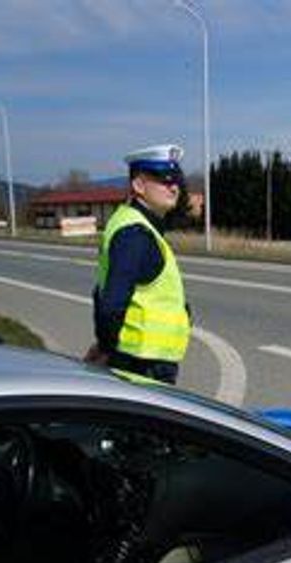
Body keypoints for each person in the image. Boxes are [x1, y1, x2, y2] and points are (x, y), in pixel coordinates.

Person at [84, 144, 191, 384]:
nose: (174, 186)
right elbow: (112, 304)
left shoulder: (139, 225)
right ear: (139, 185)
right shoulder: (135, 233)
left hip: (143, 360)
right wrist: (106, 349)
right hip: (140, 365)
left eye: (176, 179)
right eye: (164, 179)